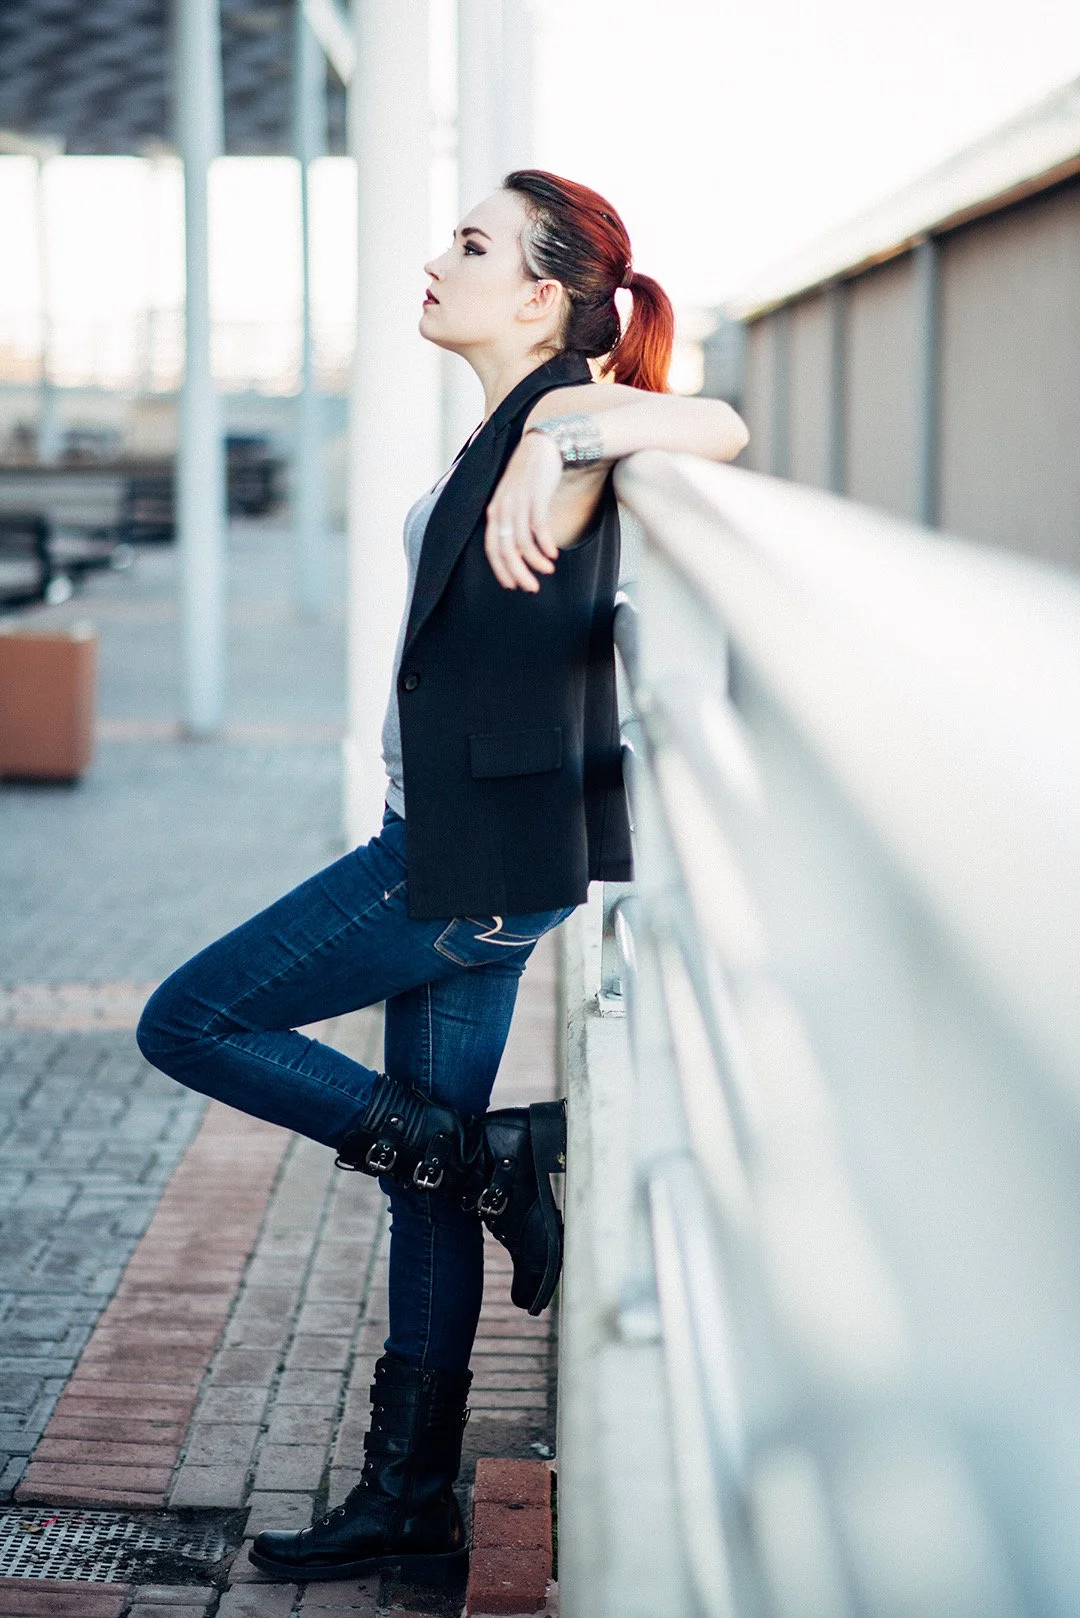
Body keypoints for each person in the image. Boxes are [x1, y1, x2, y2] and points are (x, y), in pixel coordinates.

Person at [136, 168, 748, 1586]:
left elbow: (715, 421)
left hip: (453, 871)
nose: (435, 258)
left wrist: (569, 431)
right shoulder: (511, 421)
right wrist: (546, 433)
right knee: (414, 1174)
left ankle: (493, 1159)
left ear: (543, 296)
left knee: (189, 1020)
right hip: (477, 855)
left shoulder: (558, 418)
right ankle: (408, 1492)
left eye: (470, 244)